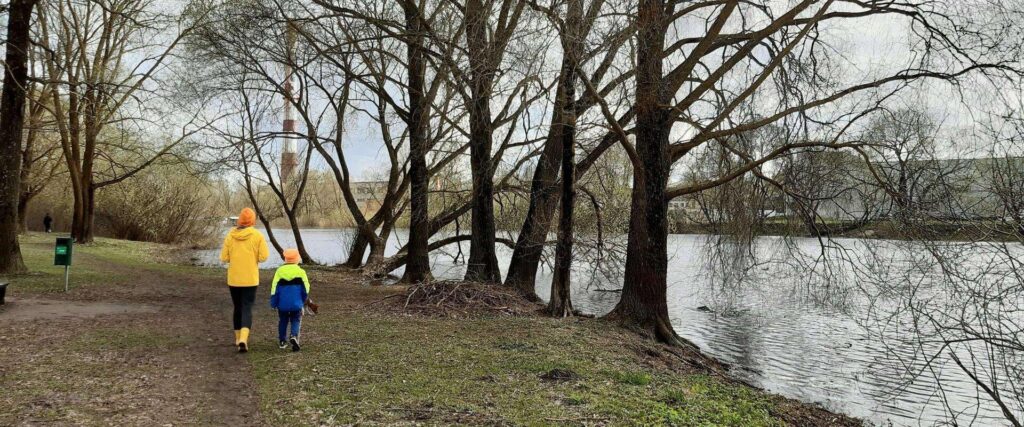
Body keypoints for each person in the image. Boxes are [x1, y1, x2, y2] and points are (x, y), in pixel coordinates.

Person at [219, 208, 269, 353]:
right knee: (247, 307)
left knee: (237, 307)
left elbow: (224, 258)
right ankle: (244, 339)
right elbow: (263, 257)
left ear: (239, 220)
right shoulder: (258, 236)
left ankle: (237, 338)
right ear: (253, 221)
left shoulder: (230, 235)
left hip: (234, 279)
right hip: (250, 279)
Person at [270, 248, 310, 352]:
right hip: (296, 303)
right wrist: (304, 300)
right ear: (297, 259)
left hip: (282, 304)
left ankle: (282, 341)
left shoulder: (279, 271)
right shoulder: (301, 272)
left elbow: (274, 289)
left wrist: (274, 302)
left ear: (285, 259)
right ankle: (293, 336)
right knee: (295, 320)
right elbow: (306, 288)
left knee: (283, 321)